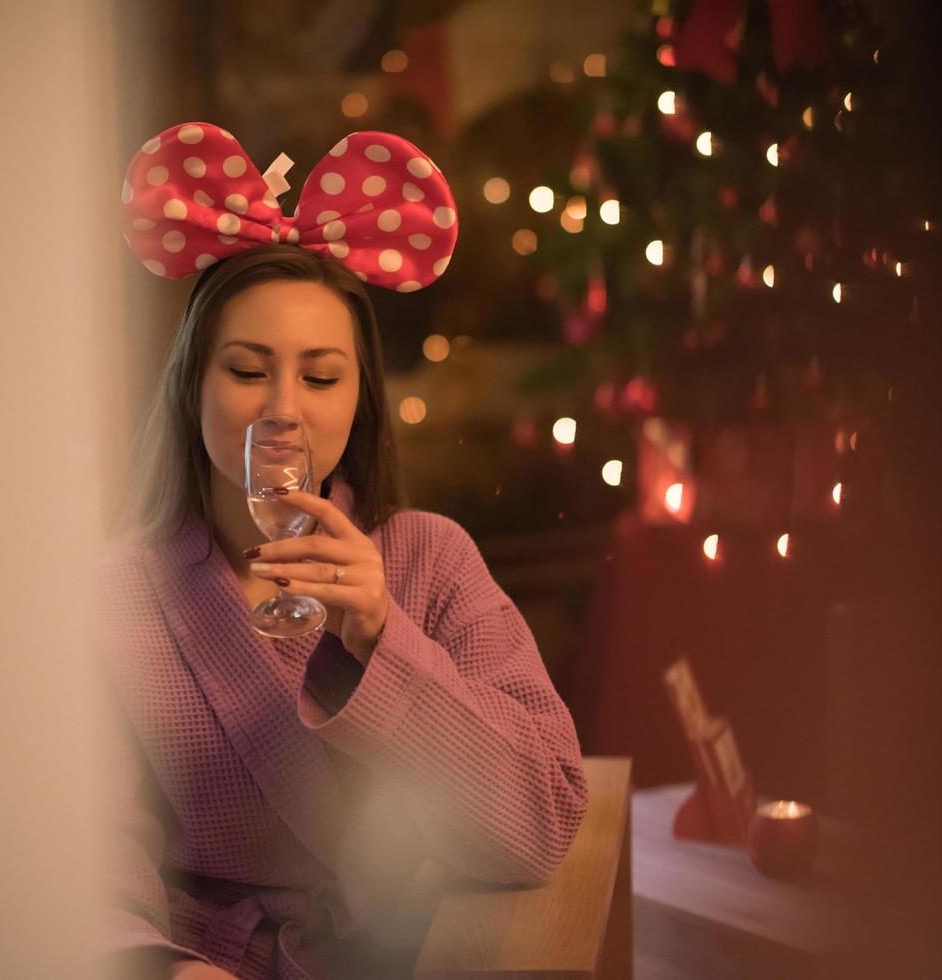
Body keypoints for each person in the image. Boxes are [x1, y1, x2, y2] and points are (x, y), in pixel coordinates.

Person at [98, 123, 588, 979]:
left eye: (321, 377)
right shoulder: (115, 600)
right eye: (248, 370)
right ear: (191, 386)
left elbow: (543, 821)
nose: (283, 408)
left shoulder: (432, 559)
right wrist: (155, 964)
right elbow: (76, 844)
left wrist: (380, 640)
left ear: (360, 399)